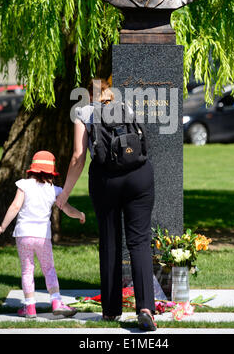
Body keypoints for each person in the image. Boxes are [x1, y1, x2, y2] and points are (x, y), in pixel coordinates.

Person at [56, 79, 157, 331]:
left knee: (110, 242)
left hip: (106, 180)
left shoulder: (83, 113)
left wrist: (64, 195)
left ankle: (112, 311)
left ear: (88, 95)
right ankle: (145, 308)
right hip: (140, 176)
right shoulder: (126, 108)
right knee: (139, 242)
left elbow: (78, 157)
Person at [0, 150, 85, 319]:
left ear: (33, 168)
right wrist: (80, 214)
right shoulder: (55, 190)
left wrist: (2, 226)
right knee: (49, 269)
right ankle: (56, 302)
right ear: (52, 172)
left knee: (27, 271)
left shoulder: (24, 184)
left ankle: (30, 308)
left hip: (23, 236)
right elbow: (67, 210)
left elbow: (15, 207)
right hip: (43, 237)